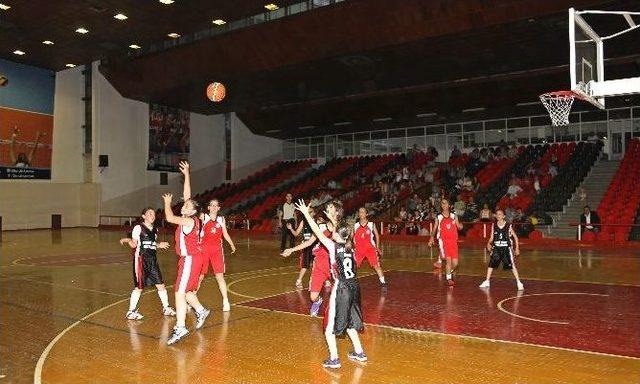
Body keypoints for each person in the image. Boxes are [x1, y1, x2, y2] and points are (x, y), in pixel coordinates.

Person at [294, 199, 366, 369]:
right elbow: (338, 232)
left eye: (334, 232)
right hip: (354, 287)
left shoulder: (332, 247)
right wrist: (334, 222)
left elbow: (320, 234)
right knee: (348, 321)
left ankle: (334, 359)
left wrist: (305, 213)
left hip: (340, 289)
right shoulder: (351, 247)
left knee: (328, 326)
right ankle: (359, 352)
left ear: (337, 235)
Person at [163, 161, 210, 345]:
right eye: (184, 205)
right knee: (188, 291)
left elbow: (169, 217)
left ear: (193, 211)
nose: (184, 205)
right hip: (192, 259)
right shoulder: (191, 217)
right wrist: (187, 174)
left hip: (190, 259)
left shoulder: (188, 221)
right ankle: (201, 310)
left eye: (187, 206)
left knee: (179, 292)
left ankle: (181, 327)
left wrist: (167, 203)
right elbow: (187, 195)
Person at [282, 201, 342, 317]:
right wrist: (291, 249)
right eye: (327, 207)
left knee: (340, 294)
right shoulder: (321, 226)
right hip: (320, 263)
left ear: (337, 212)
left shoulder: (342, 228)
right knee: (313, 297)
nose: (328, 209)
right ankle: (318, 301)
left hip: (335, 264)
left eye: (331, 207)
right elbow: (309, 242)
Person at [119, 207, 175, 320]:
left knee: (161, 285)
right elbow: (134, 245)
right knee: (139, 287)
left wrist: (159, 245)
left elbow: (152, 244)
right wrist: (127, 240)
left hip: (153, 260)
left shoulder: (155, 229)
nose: (152, 215)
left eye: (153, 214)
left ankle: (166, 308)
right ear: (144, 216)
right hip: (141, 260)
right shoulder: (138, 228)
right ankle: (130, 312)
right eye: (150, 213)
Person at [198, 198, 236, 312]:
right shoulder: (203, 217)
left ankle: (225, 301)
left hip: (217, 250)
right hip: (204, 249)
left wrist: (231, 244)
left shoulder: (221, 219)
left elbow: (225, 233)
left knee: (220, 276)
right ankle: (191, 298)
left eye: (216, 205)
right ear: (208, 207)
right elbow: (191, 214)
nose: (214, 207)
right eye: (212, 205)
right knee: (200, 277)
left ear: (219, 208)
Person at [479, 209, 524, 290]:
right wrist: (488, 243)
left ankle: (519, 282)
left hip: (506, 248)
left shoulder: (508, 225)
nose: (498, 215)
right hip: (496, 247)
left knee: (512, 265)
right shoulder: (494, 225)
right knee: (491, 264)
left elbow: (516, 238)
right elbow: (492, 237)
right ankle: (487, 281)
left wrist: (517, 248)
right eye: (497, 214)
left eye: (500, 214)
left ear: (504, 216)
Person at [428, 199, 463, 286]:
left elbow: (459, 226)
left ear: (448, 205)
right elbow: (435, 228)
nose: (443, 205)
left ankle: (449, 272)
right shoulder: (439, 217)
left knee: (455, 264)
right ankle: (449, 279)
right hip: (443, 241)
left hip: (454, 241)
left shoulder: (454, 216)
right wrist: (431, 238)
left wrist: (461, 226)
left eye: (445, 203)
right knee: (448, 261)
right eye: (442, 203)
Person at [353, 207, 386, 288]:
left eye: (363, 212)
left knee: (376, 265)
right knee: (353, 266)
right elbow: (352, 237)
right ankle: (351, 281)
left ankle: (383, 282)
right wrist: (351, 246)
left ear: (366, 214)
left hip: (370, 249)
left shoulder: (371, 224)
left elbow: (377, 236)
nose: (361, 214)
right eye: (360, 212)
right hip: (359, 249)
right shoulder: (355, 225)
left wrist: (377, 247)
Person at [287, 206, 318, 289]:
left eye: (311, 211)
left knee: (319, 263)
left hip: (316, 246)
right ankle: (299, 280)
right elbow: (296, 233)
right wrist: (291, 229)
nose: (309, 213)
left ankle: (325, 280)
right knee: (305, 265)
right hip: (306, 246)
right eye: (308, 212)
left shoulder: (317, 222)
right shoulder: (303, 222)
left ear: (314, 213)